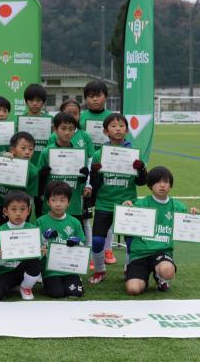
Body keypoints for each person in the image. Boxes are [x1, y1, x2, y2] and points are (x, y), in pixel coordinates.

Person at [88, 113, 147, 284]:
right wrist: (94, 172)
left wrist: (141, 168)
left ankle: (129, 269)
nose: (118, 128)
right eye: (113, 126)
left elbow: (141, 182)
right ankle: (100, 271)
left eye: (121, 125)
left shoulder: (133, 153)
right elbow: (95, 184)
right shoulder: (100, 154)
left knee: (131, 241)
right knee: (98, 240)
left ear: (127, 130)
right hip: (104, 203)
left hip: (127, 203)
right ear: (106, 132)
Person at [122, 166, 198, 295]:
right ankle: (143, 277)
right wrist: (126, 210)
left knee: (167, 270)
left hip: (161, 252)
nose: (162, 185)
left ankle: (161, 278)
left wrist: (194, 216)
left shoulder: (178, 207)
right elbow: (124, 226)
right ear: (151, 185)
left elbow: (188, 228)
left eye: (166, 181)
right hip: (139, 253)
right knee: (133, 289)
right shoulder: (140, 204)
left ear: (171, 184)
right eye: (158, 182)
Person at [47, 99, 95, 247]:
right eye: (68, 113)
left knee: (80, 223)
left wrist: (87, 181)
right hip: (55, 191)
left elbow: (89, 160)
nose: (72, 116)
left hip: (75, 193)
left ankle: (85, 253)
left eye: (75, 114)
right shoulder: (52, 140)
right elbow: (50, 160)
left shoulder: (84, 136)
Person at [80, 80, 115, 263]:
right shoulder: (81, 117)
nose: (95, 99)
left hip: (107, 169)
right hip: (87, 170)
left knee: (106, 210)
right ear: (86, 98)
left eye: (98, 95)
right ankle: (89, 251)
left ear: (105, 97)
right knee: (86, 211)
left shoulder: (113, 117)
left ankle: (107, 249)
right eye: (91, 96)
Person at [36, 181, 86, 298]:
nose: (58, 204)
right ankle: (47, 282)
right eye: (54, 200)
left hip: (70, 268)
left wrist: (77, 241)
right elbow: (34, 249)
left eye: (62, 200)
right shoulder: (40, 221)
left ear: (68, 202)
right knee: (57, 293)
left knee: (75, 293)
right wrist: (44, 237)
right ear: (48, 201)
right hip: (50, 269)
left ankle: (76, 278)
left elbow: (83, 245)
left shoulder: (75, 222)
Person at [36, 113, 89, 222]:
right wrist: (42, 175)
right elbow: (38, 183)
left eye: (71, 129)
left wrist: (84, 176)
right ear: (55, 129)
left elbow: (82, 185)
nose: (67, 132)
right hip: (51, 208)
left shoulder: (79, 153)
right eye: (63, 128)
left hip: (73, 206)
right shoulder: (47, 152)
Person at [0, 191, 42, 301]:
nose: (18, 213)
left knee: (35, 262)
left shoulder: (32, 230)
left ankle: (25, 287)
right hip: (4, 271)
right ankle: (12, 286)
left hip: (23, 270)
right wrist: (0, 257)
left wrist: (41, 253)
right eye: (13, 209)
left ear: (29, 210)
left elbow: (37, 257)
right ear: (5, 211)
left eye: (22, 209)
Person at [0, 132, 38, 226]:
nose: (27, 152)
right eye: (23, 148)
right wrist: (0, 160)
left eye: (31, 149)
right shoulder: (3, 159)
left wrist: (26, 213)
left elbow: (29, 197)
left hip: (14, 209)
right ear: (13, 150)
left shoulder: (32, 171)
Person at [18, 83, 49, 166]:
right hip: (23, 165)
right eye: (31, 100)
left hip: (44, 166)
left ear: (43, 102)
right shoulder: (18, 121)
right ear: (26, 101)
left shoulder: (51, 121)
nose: (35, 103)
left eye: (38, 100)